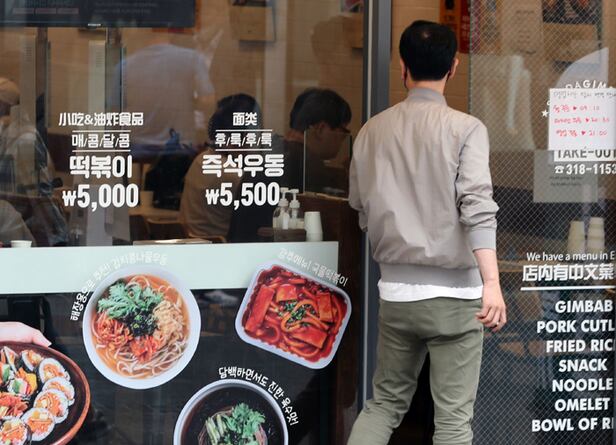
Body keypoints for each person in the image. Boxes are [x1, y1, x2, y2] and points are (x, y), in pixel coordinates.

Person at [347, 21, 506, 445]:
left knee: (383, 406)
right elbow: (477, 208)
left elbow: (360, 206)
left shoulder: (371, 131)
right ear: (454, 66)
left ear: (402, 67)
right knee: (452, 422)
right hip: (457, 298)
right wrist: (492, 282)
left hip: (396, 294)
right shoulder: (466, 129)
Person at [179, 94, 262, 239]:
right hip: (224, 249)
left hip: (196, 246)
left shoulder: (200, 160)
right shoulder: (232, 174)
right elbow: (258, 222)